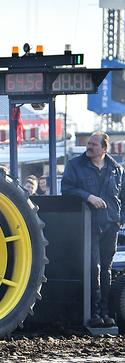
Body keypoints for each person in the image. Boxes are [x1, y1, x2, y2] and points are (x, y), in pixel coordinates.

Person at [62, 131, 125, 328]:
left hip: (110, 225)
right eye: (88, 144)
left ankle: (105, 314)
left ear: (105, 149)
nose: (89, 147)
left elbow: (123, 198)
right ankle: (94, 313)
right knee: (93, 268)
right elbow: (67, 188)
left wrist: (119, 221)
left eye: (93, 145)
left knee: (105, 269)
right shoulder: (75, 164)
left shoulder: (117, 170)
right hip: (87, 225)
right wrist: (88, 196)